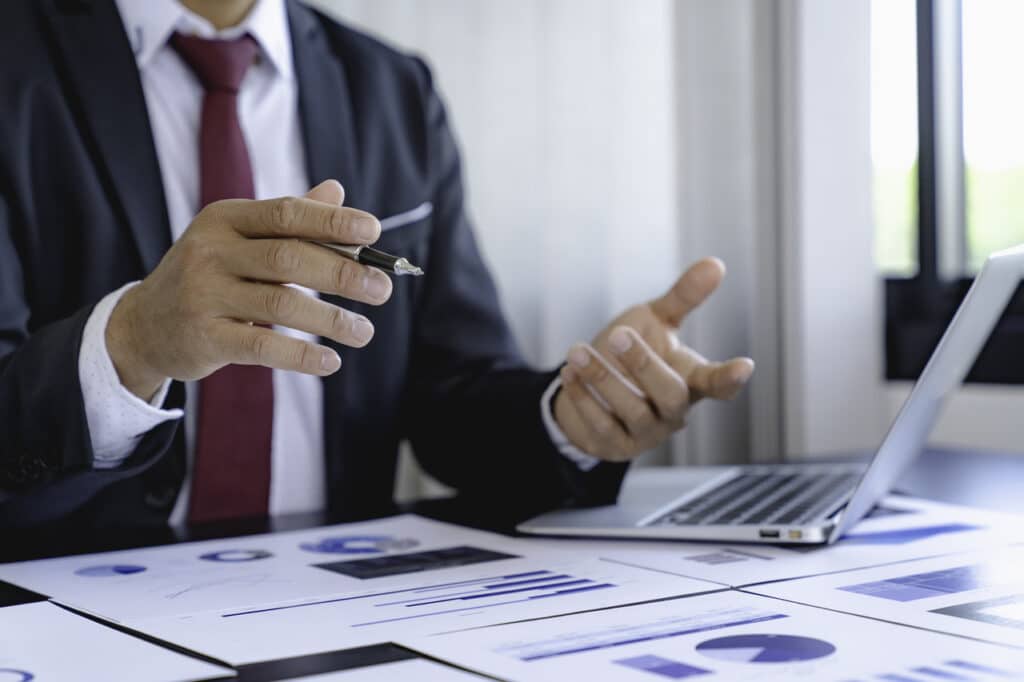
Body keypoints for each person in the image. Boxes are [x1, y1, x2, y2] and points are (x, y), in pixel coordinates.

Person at [0, 0, 754, 528]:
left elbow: (453, 393)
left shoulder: (393, 89)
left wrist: (575, 413)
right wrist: (131, 343)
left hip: (338, 609)